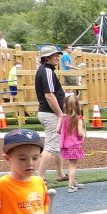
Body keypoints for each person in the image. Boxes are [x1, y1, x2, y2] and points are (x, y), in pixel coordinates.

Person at [34, 46, 68, 183]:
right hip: (50, 114)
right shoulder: (47, 71)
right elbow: (49, 95)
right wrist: (60, 113)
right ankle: (40, 177)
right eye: (54, 55)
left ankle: (60, 174)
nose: (57, 57)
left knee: (57, 144)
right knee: (51, 146)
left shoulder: (45, 70)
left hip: (48, 113)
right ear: (47, 58)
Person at [59, 95, 86, 192]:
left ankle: (74, 183)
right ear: (77, 105)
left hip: (65, 145)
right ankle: (71, 186)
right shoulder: (78, 119)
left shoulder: (62, 117)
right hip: (74, 146)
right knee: (73, 166)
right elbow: (79, 133)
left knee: (70, 165)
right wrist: (83, 134)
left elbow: (58, 130)